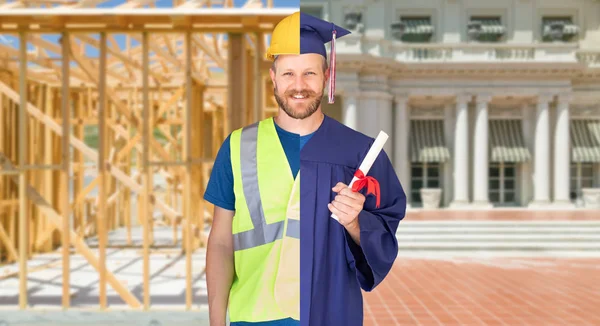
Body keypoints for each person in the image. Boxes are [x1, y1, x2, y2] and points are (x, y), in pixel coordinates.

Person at [204, 11, 406, 326]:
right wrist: (217, 321)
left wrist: (356, 222)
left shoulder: (360, 153)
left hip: (330, 314)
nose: (299, 86)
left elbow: (385, 242)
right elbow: (220, 241)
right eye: (288, 74)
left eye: (310, 73)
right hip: (253, 316)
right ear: (273, 77)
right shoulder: (237, 147)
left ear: (327, 76)